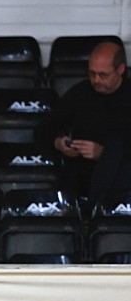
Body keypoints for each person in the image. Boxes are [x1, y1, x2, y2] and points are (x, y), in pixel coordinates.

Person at [36, 41, 131, 199]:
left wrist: (105, 154)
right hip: (82, 174)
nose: (96, 80)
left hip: (123, 176)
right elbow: (43, 129)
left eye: (103, 75)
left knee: (116, 144)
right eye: (92, 73)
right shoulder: (81, 93)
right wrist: (58, 143)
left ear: (120, 69)